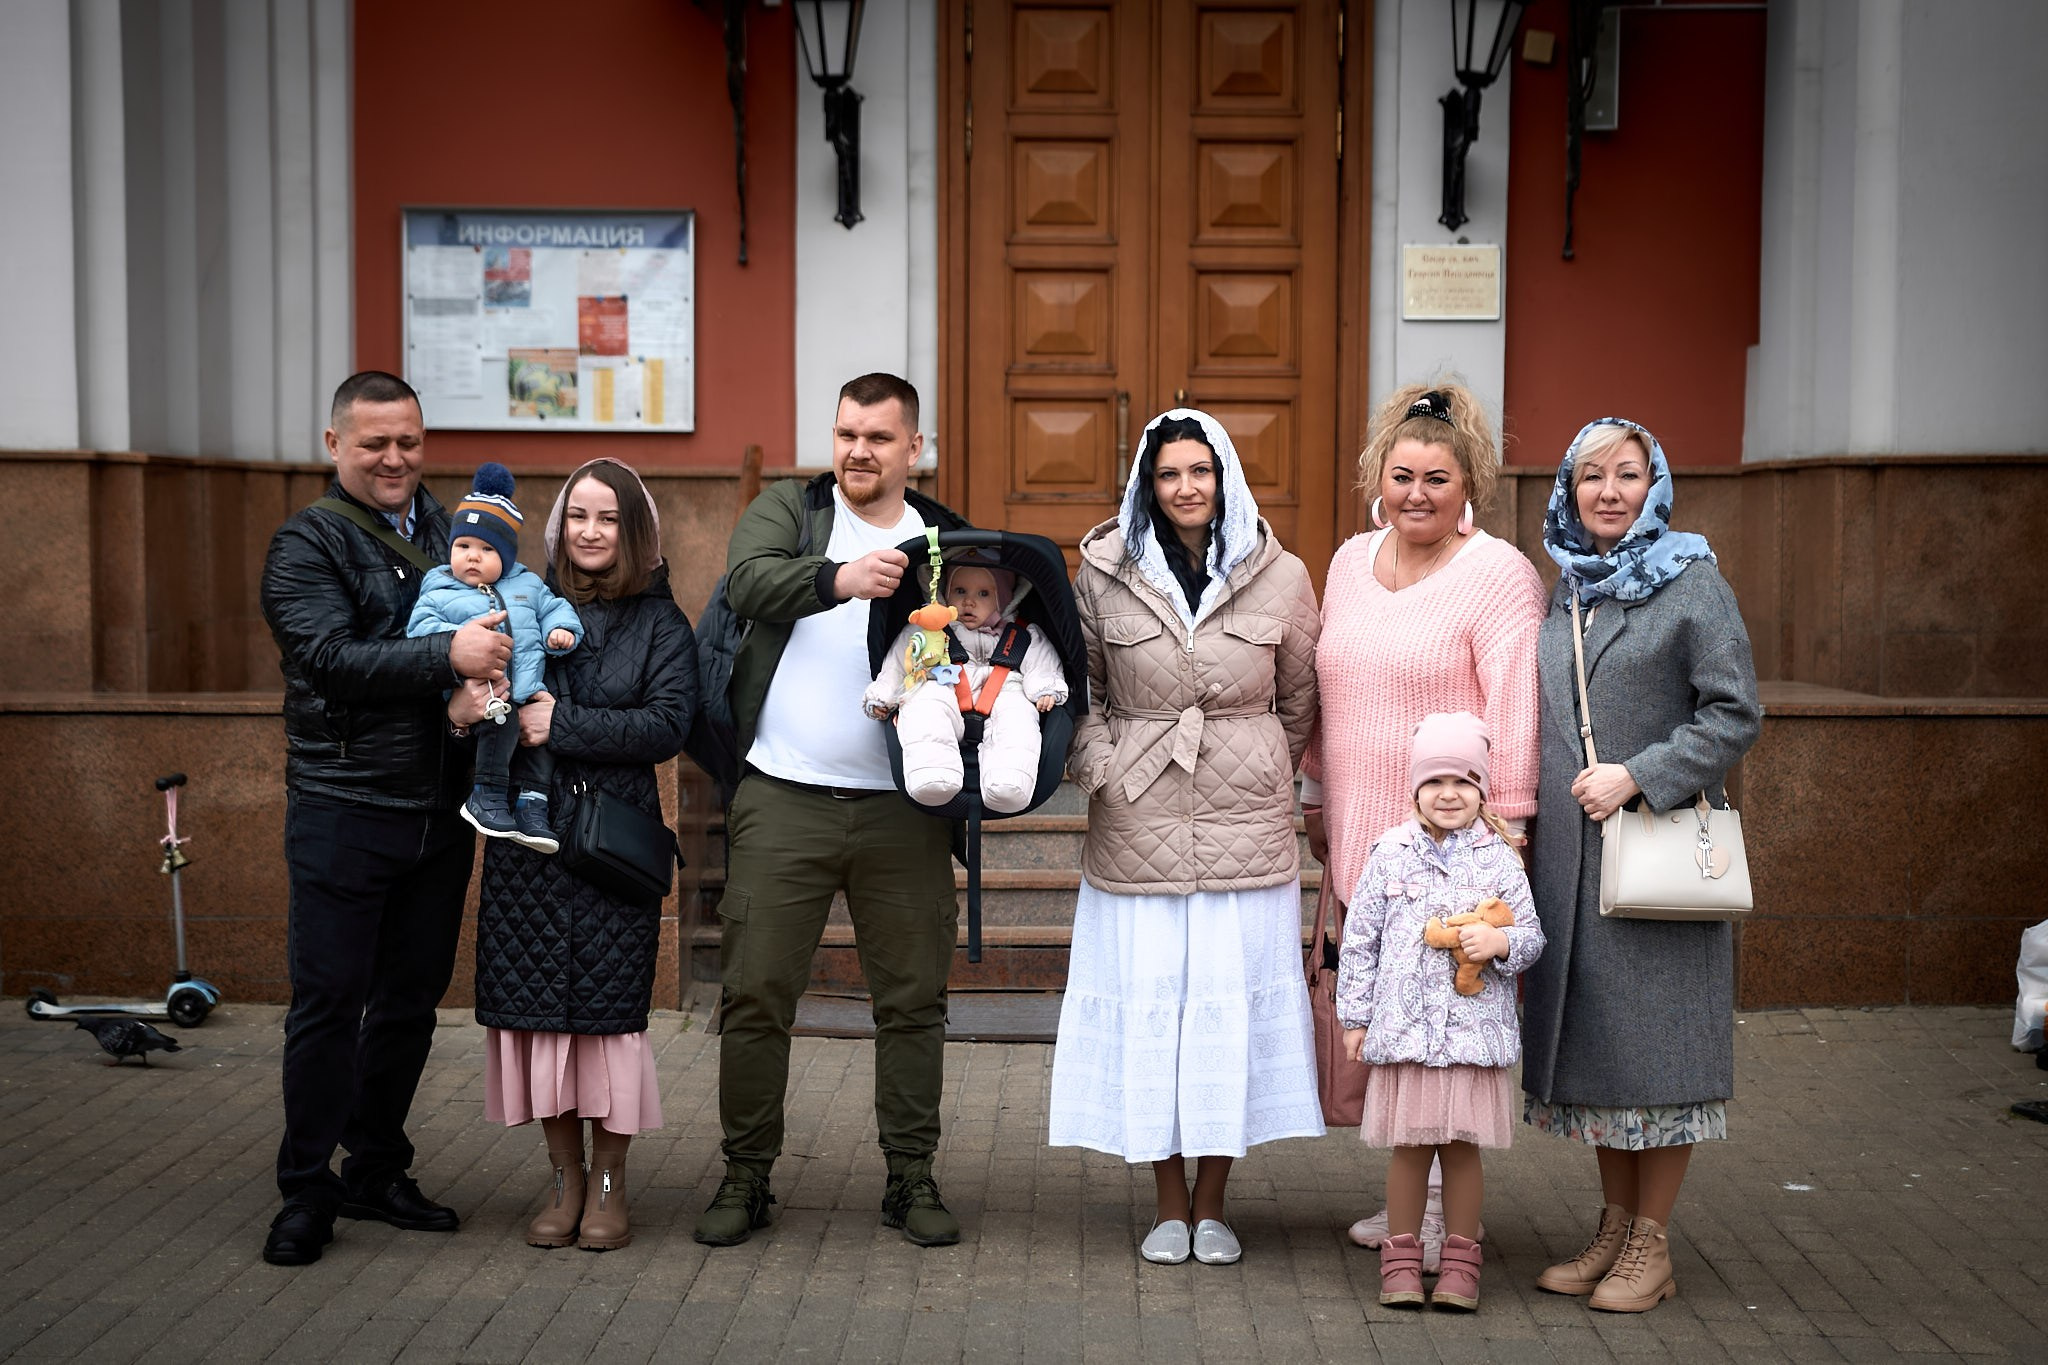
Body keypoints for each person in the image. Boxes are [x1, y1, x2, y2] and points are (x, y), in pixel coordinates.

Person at [693, 373, 970, 1249]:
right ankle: (745, 1176)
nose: (857, 450)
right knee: (755, 996)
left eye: (879, 437)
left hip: (906, 812)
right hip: (782, 796)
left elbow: (990, 638)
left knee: (914, 1002)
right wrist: (841, 577)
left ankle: (910, 1177)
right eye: (847, 433)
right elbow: (748, 584)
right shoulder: (794, 510)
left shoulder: (944, 534)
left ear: (913, 448)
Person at [1047, 408, 1323, 1268]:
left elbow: (1300, 699)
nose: (1186, 488)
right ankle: (1168, 1202)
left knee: (1224, 1020)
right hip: (1138, 820)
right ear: (1147, 484)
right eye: (1169, 474)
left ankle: (1215, 1202)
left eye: (1200, 470)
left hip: (1246, 827)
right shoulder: (1101, 573)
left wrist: (1266, 767)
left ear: (1225, 474)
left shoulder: (1281, 574)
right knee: (1154, 1015)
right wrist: (1103, 766)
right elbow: (1080, 693)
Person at [257, 371, 513, 1266]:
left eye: (407, 440)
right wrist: (447, 651)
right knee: (328, 1004)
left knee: (407, 1004)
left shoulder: (458, 530)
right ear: (335, 446)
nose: (395, 457)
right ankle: (305, 1189)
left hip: (439, 808)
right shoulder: (305, 544)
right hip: (344, 805)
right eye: (374, 443)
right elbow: (328, 658)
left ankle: (375, 1165)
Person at [1521, 417, 1762, 1313]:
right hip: (1573, 868)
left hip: (1656, 861)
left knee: (1660, 1067)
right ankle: (1615, 1231)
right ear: (1569, 490)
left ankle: (1653, 1248)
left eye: (1628, 474)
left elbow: (1734, 712)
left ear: (1656, 484)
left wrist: (1640, 774)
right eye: (1593, 477)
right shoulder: (1566, 589)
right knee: (1606, 1062)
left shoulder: (1693, 583)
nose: (1609, 492)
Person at [1303, 383, 1545, 1265]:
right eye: (1401, 475)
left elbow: (1516, 711)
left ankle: (1442, 1212)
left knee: (1449, 1020)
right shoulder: (1348, 563)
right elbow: (1333, 694)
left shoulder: (1499, 575)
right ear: (1378, 476)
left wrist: (1510, 829)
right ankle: (1412, 1197)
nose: (1416, 494)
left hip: (1458, 848)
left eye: (1436, 478)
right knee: (1394, 1018)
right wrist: (1319, 801)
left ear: (1468, 480)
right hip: (1368, 836)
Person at [472, 457, 697, 1253]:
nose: (591, 532)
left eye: (608, 518)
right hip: (528, 845)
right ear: (559, 526)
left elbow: (667, 725)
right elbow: (489, 696)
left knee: (606, 1023)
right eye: (578, 517)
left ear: (633, 531)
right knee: (541, 1022)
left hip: (612, 847)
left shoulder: (663, 624)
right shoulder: (520, 603)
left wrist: (557, 724)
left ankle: (609, 1183)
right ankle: (563, 1179)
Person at [1337, 712, 1544, 1311]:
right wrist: (1355, 1017)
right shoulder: (1390, 851)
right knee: (1408, 1149)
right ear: (1414, 790)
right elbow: (1361, 940)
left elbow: (1530, 936)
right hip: (1405, 1033)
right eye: (1434, 782)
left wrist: (1500, 945)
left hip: (1470, 1037)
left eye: (1463, 781)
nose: (1448, 794)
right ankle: (1400, 1263)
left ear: (1483, 789)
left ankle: (1459, 1264)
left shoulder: (1501, 858)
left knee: (1460, 1150)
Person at [406, 461, 582, 852]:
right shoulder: (439, 588)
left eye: (486, 549)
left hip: (528, 689)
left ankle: (532, 807)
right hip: (481, 693)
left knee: (541, 743)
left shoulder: (527, 583)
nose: (472, 557)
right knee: (499, 731)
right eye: (463, 546)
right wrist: (456, 642)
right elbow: (419, 630)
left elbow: (554, 607)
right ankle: (486, 794)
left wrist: (562, 630)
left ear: (506, 555)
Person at [862, 557, 1069, 811]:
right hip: (945, 688)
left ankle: (1008, 783)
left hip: (1003, 691)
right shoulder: (929, 629)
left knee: (1019, 715)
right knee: (924, 704)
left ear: (1003, 599)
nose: (969, 601)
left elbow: (1042, 664)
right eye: (960, 591)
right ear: (945, 593)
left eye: (983, 593)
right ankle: (933, 774)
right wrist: (882, 696)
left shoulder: (1021, 634)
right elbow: (897, 665)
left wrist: (1045, 689)